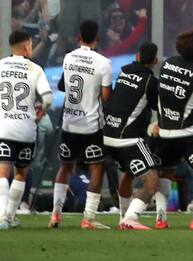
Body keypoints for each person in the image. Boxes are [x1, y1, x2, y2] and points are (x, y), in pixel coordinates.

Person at [0, 30, 53, 231]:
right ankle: (10, 216)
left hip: (3, 129)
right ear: (26, 45)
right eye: (30, 44)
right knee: (20, 173)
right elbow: (47, 98)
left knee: (2, 174)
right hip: (26, 130)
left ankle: (3, 217)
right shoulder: (35, 69)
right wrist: (41, 111)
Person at [49, 20, 112, 230]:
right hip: (91, 126)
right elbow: (105, 97)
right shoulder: (103, 63)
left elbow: (64, 86)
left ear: (78, 37)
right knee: (97, 168)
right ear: (98, 37)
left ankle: (55, 216)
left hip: (69, 123)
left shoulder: (68, 57)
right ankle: (88, 218)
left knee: (65, 167)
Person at [151, 29, 193, 230]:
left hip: (164, 131)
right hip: (189, 132)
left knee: (166, 173)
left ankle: (161, 219)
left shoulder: (167, 63)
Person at [103, 42, 160, 230]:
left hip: (108, 135)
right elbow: (156, 106)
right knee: (151, 182)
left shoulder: (124, 73)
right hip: (128, 138)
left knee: (128, 174)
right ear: (155, 61)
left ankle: (123, 215)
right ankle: (131, 218)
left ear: (137, 56)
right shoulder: (150, 82)